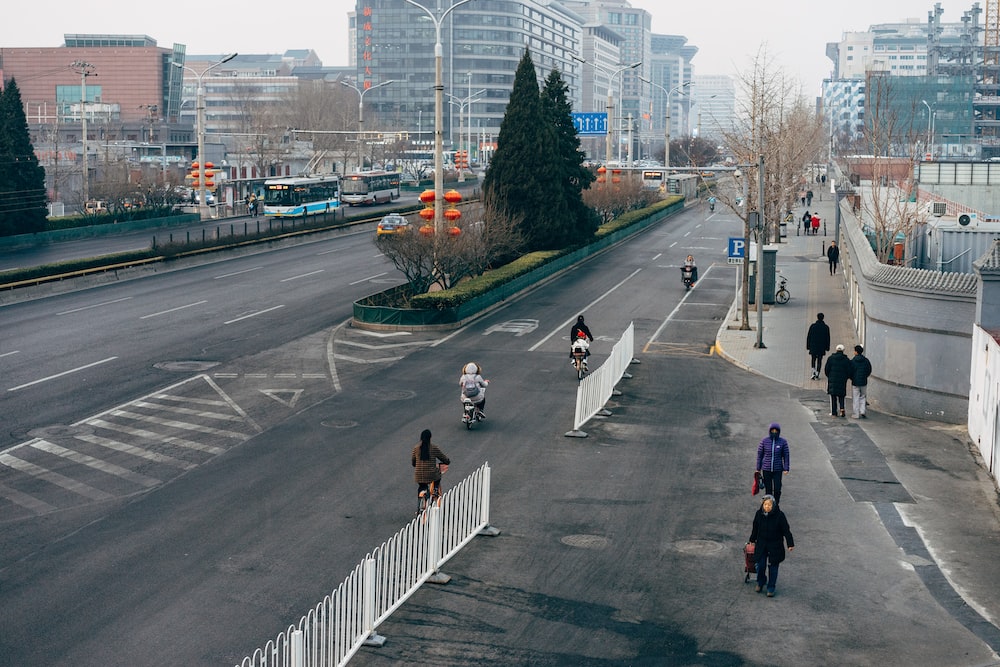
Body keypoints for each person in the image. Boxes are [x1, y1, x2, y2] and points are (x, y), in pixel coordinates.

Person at [748, 494, 795, 597]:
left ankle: (771, 587)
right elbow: (755, 528)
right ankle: (760, 581)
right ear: (762, 505)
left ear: (773, 505)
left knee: (773, 567)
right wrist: (752, 539)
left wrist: (790, 543)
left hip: (775, 545)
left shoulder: (780, 516)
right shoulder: (759, 514)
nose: (767, 507)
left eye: (769, 505)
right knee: (760, 565)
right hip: (762, 543)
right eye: (765, 504)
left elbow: (786, 531)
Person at [411, 429, 450, 505]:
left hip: (419, 476)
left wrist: (416, 465)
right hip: (431, 475)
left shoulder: (416, 448)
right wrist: (447, 461)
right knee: (438, 475)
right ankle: (435, 489)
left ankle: (420, 505)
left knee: (422, 487)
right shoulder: (433, 448)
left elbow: (413, 462)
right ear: (430, 438)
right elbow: (442, 457)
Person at [755, 423, 790, 504]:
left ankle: (776, 504)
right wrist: (758, 468)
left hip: (777, 470)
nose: (774, 432)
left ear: (778, 431)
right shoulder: (764, 441)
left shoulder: (783, 442)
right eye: (772, 430)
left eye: (776, 431)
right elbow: (760, 455)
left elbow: (786, 455)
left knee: (777, 488)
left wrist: (786, 468)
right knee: (768, 489)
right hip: (766, 469)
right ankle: (769, 505)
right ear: (770, 431)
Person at [824, 344, 853, 417]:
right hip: (842, 380)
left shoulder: (830, 358)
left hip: (832, 380)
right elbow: (849, 370)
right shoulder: (846, 360)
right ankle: (842, 408)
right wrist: (846, 377)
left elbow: (827, 369)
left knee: (833, 396)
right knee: (841, 395)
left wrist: (829, 376)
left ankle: (834, 413)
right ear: (843, 351)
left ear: (836, 350)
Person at [806, 313, 831, 380]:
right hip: (821, 347)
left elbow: (809, 337)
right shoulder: (826, 327)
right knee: (819, 360)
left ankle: (813, 373)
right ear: (823, 318)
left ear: (817, 317)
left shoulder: (813, 326)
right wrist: (827, 347)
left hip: (813, 346)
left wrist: (808, 346)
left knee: (813, 359)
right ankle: (817, 374)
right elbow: (827, 338)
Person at [850, 345, 873, 419]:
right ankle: (862, 410)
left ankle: (856, 414)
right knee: (863, 396)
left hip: (855, 382)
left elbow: (850, 371)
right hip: (863, 381)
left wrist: (852, 378)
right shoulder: (866, 360)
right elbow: (869, 370)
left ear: (856, 352)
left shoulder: (853, 361)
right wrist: (865, 376)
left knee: (856, 397)